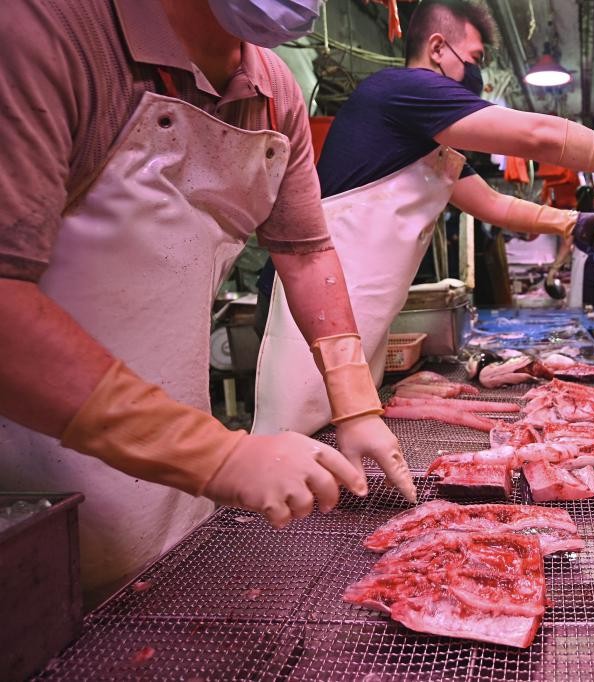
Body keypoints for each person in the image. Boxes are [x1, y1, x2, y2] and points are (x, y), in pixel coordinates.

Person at [0, 0, 415, 606]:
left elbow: (304, 253)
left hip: (180, 487)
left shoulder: (274, 90)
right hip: (37, 488)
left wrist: (355, 405)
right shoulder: (51, 27)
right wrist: (217, 454)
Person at [254, 0, 594, 436]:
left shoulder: (424, 140)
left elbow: (492, 204)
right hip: (310, 313)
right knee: (295, 442)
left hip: (355, 317)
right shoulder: (402, 89)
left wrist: (570, 222)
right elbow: (537, 135)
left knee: (336, 442)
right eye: (472, 58)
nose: (476, 74)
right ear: (437, 48)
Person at [547, 186, 594, 336]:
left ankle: (590, 340)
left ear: (577, 199)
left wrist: (553, 270)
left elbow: (566, 245)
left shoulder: (575, 219)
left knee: (585, 308)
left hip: (585, 269)